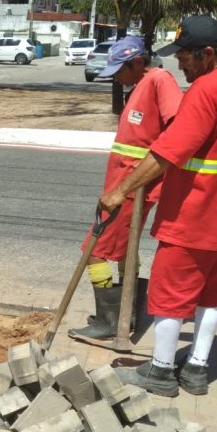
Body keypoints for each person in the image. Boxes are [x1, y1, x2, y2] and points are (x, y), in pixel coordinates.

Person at [100, 15, 217, 396]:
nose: (180, 63)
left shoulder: (208, 91)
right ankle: (196, 368)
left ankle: (160, 372)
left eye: (186, 56)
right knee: (210, 295)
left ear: (208, 54)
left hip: (194, 214)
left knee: (170, 296)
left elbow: (167, 153)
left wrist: (120, 191)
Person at [69, 36, 183, 342]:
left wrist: (140, 178)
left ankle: (109, 320)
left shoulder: (159, 80)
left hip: (134, 187)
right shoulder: (139, 87)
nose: (117, 77)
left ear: (137, 62)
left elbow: (177, 130)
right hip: (124, 185)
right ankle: (126, 314)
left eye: (121, 69)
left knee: (94, 251)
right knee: (122, 251)